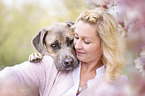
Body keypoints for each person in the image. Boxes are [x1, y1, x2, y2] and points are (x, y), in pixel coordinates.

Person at [0, 7, 129, 96]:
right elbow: (5, 78)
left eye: (86, 41)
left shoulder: (119, 83)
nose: (77, 46)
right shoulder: (47, 65)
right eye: (76, 38)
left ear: (104, 45)